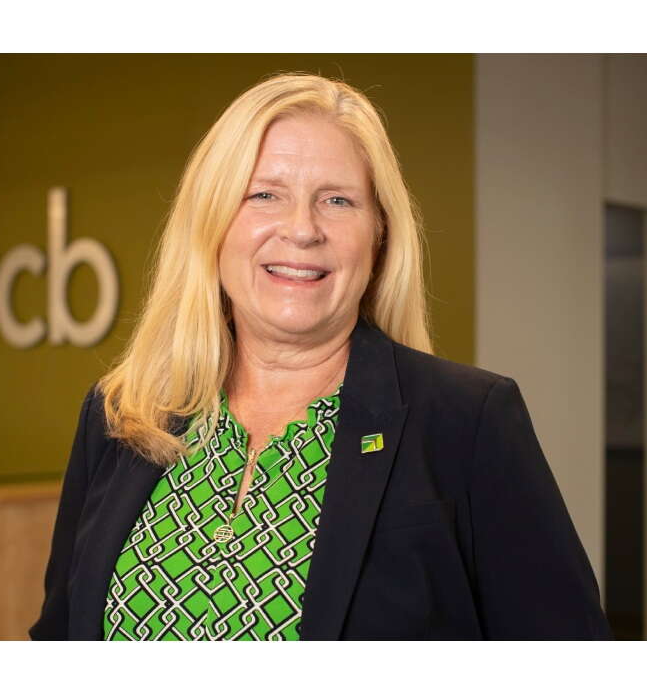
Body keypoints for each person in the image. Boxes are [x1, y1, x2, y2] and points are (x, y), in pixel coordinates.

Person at [31, 75, 605, 638]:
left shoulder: (468, 421)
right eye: (264, 195)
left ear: (378, 234)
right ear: (212, 224)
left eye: (337, 200)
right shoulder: (123, 416)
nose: (302, 230)